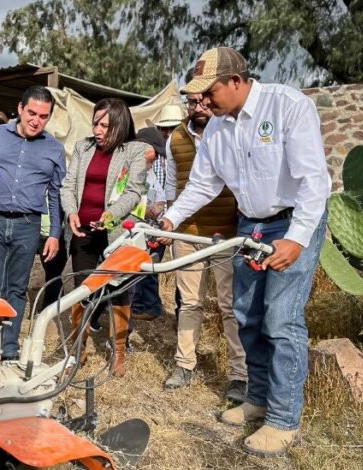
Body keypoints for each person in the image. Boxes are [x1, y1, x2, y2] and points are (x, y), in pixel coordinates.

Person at [161, 47, 330, 457]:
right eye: (196, 94)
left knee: (281, 319)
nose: (201, 101)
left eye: (209, 91)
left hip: (292, 222)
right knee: (247, 315)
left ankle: (284, 419)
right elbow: (203, 184)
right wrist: (170, 219)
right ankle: (257, 399)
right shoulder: (218, 129)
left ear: (235, 82)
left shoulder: (288, 106)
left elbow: (314, 180)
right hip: (250, 227)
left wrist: (297, 238)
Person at [161, 80, 247, 403]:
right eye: (193, 102)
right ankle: (184, 364)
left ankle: (239, 375)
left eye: (203, 101)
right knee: (190, 303)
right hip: (187, 233)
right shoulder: (176, 140)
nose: (199, 107)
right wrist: (170, 220)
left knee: (229, 306)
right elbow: (172, 185)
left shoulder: (229, 132)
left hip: (225, 232)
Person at [0, 86, 65, 360]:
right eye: (31, 113)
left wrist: (55, 233)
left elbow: (55, 195)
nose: (36, 120)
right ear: (20, 109)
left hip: (27, 224)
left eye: (43, 116)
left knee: (17, 288)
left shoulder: (54, 149)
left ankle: (9, 349)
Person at [60, 98, 148, 377]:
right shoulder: (83, 147)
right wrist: (71, 212)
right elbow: (68, 184)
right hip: (83, 230)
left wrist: (110, 216)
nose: (98, 130)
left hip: (114, 234)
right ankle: (77, 350)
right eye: (95, 123)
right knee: (82, 289)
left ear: (119, 126)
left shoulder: (133, 151)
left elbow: (133, 191)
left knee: (118, 293)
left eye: (105, 125)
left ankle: (118, 351)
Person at [129, 127, 168, 322]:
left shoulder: (151, 172)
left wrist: (159, 208)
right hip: (135, 229)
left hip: (152, 229)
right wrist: (144, 209)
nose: (153, 162)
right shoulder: (126, 170)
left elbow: (161, 196)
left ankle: (148, 307)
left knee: (149, 270)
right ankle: (138, 306)